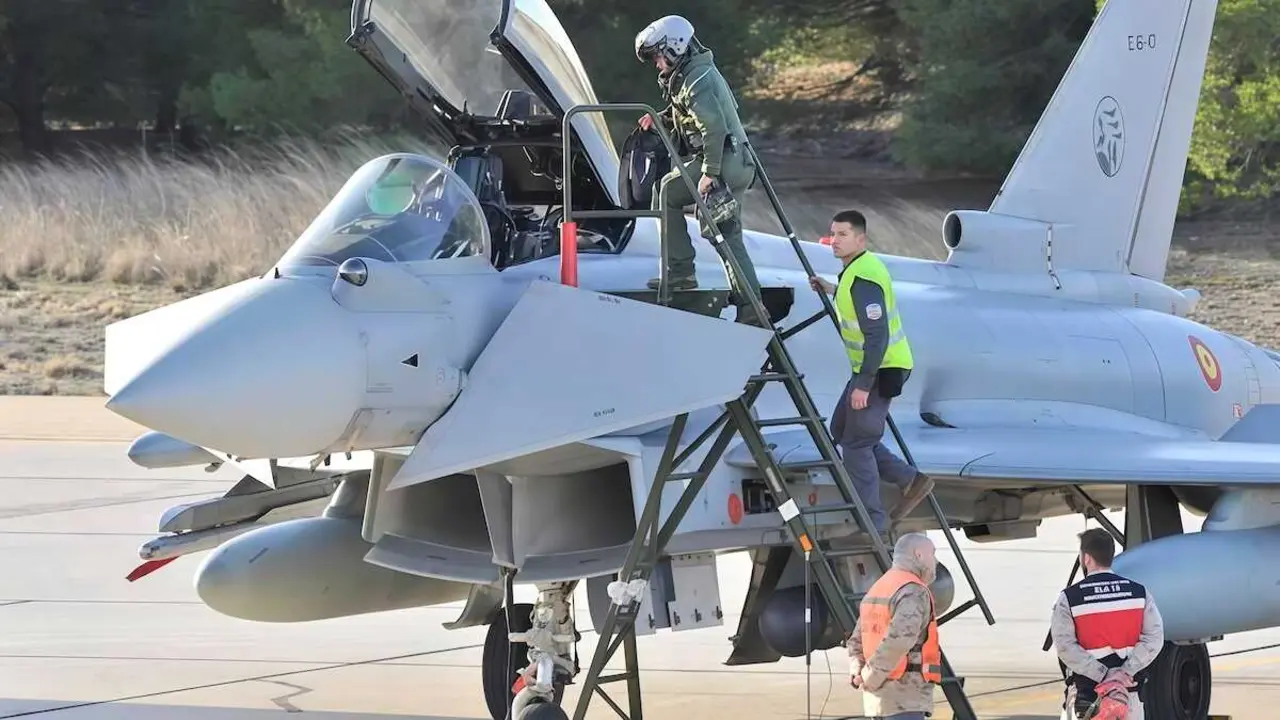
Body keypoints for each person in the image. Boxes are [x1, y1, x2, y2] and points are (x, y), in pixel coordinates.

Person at [633, 15, 766, 326]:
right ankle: (750, 307)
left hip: (725, 161)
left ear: (675, 49)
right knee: (725, 234)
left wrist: (710, 172)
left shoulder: (697, 79)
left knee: (670, 193)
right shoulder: (693, 75)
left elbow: (714, 128)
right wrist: (663, 117)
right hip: (734, 161)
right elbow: (692, 113)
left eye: (657, 57)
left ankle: (682, 274)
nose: (656, 65)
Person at [808, 210, 932, 536]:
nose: (834, 241)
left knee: (857, 444)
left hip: (881, 369)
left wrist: (863, 385)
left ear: (860, 239)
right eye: (833, 234)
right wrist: (831, 289)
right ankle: (910, 480)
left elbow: (877, 335)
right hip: (870, 369)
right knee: (842, 428)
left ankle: (874, 525)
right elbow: (857, 304)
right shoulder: (855, 270)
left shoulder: (863, 276)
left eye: (843, 235)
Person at [1051, 528, 1165, 720]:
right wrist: (1123, 672)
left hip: (1087, 699)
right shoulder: (1139, 593)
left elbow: (1065, 646)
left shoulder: (1070, 598)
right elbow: (1154, 639)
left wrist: (1103, 674)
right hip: (1128, 697)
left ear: (1086, 558)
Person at [847, 532, 942, 720]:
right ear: (919, 555)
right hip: (903, 698)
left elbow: (857, 639)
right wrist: (870, 677)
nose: (936, 561)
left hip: (877, 701)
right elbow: (899, 640)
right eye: (933, 553)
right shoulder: (913, 591)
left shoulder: (879, 588)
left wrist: (857, 670)